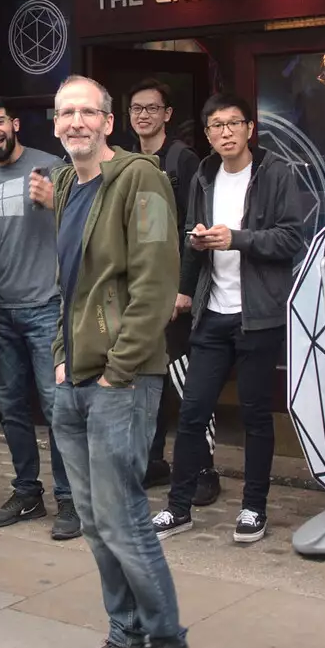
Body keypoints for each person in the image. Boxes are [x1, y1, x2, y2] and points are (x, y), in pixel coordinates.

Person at [49, 75, 194, 648]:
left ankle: (170, 645)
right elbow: (70, 284)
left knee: (125, 516)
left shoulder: (141, 178)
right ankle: (125, 636)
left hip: (122, 381)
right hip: (74, 381)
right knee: (92, 519)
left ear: (109, 121)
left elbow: (156, 283)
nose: (75, 121)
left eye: (87, 111)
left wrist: (117, 368)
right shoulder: (64, 183)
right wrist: (61, 357)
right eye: (65, 112)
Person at [152, 93, 304, 545]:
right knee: (194, 411)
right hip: (211, 313)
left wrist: (236, 239)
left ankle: (254, 508)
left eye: (233, 124)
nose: (225, 133)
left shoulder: (276, 174)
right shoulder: (204, 175)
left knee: (257, 416)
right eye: (215, 126)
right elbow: (190, 238)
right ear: (207, 134)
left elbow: (291, 238)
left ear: (249, 129)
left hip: (258, 315)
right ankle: (178, 508)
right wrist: (189, 272)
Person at [0, 96, 79, 540]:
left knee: (57, 406)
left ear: (13, 124)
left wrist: (55, 203)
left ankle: (71, 500)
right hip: (3, 309)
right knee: (11, 407)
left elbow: (86, 222)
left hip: (47, 304)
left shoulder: (51, 166)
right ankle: (27, 492)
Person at [125, 79, 216, 504]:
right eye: (136, 108)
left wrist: (183, 289)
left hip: (177, 293)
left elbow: (192, 225)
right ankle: (154, 461)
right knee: (149, 379)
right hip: (140, 291)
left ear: (166, 114)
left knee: (188, 382)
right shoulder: (126, 163)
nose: (143, 115)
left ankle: (205, 469)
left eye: (151, 108)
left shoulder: (183, 159)